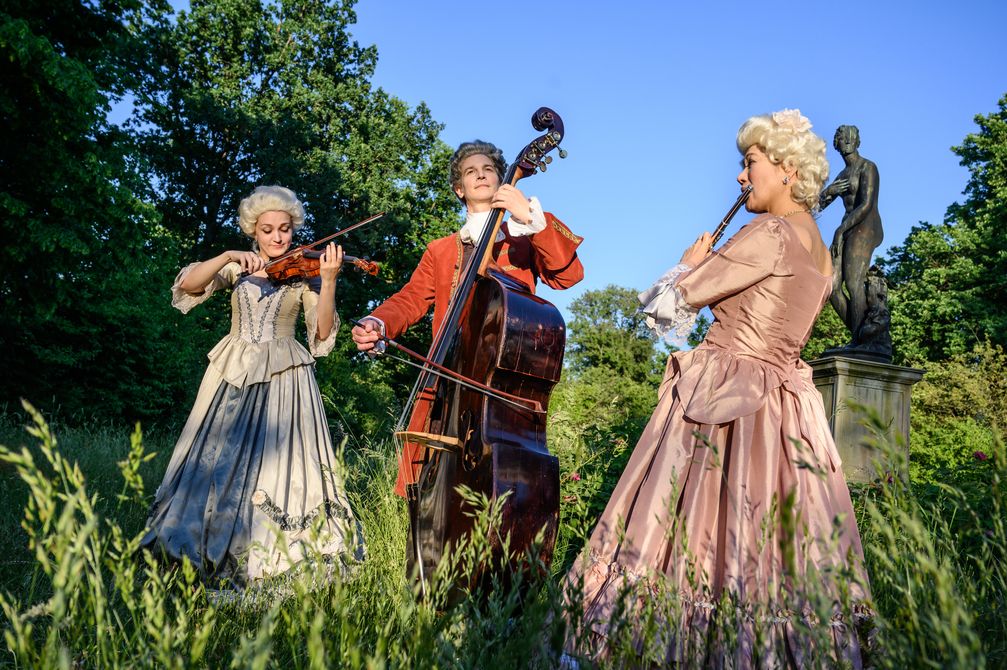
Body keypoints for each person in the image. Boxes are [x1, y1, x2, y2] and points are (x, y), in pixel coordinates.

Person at [565, 110, 871, 666]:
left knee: (690, 533)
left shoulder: (772, 233)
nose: (740, 176)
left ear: (783, 169)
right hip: (786, 413)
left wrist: (689, 266)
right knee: (764, 548)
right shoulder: (821, 253)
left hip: (729, 398)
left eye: (748, 163)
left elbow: (670, 305)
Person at [142, 185, 364, 587]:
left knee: (280, 465)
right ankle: (205, 545)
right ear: (253, 231)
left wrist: (328, 281)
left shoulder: (305, 276)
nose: (277, 238)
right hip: (232, 373)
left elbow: (323, 334)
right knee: (216, 457)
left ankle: (273, 555)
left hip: (284, 378)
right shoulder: (238, 266)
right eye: (267, 230)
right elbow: (189, 285)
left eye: (284, 229)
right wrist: (227, 256)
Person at [351, 140, 584, 497]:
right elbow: (411, 299)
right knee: (432, 487)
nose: (480, 174)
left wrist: (529, 219)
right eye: (470, 172)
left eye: (488, 169)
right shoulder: (441, 249)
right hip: (448, 378)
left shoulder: (526, 235)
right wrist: (378, 323)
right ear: (459, 189)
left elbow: (568, 277)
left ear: (503, 179)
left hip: (503, 382)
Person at [819, 125, 884, 350]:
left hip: (866, 226)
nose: (846, 140)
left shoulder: (868, 167)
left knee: (854, 283)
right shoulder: (842, 175)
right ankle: (861, 338)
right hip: (847, 227)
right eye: (841, 137)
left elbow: (866, 205)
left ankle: (859, 343)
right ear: (836, 144)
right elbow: (817, 206)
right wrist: (828, 192)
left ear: (857, 141)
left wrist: (840, 231)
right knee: (831, 286)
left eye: (850, 137)